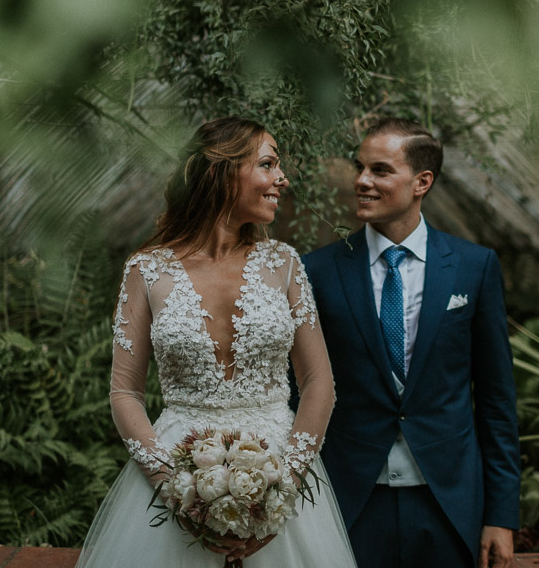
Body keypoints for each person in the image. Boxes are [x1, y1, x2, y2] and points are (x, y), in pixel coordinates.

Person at [76, 117, 357, 567]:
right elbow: (125, 392)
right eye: (268, 164)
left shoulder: (285, 264)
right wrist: (173, 487)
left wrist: (282, 490)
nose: (282, 178)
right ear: (220, 174)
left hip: (279, 466)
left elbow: (319, 381)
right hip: (177, 473)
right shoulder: (145, 270)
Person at [302, 117, 521, 568]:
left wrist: (502, 515)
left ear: (422, 182)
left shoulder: (473, 267)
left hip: (448, 503)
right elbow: (295, 390)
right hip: (348, 501)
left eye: (380, 170)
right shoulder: (316, 272)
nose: (362, 181)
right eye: (360, 167)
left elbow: (497, 399)